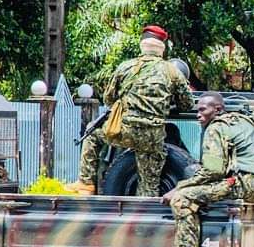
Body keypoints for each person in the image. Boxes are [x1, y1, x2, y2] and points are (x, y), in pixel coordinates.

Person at [157, 93, 254, 247]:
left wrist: (178, 188)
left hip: (243, 183)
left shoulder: (215, 127)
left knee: (182, 199)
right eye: (197, 110)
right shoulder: (242, 120)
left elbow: (213, 171)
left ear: (217, 110)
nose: (198, 115)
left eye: (203, 110)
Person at [69, 25, 192, 197]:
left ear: (142, 46)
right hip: (152, 136)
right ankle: (146, 205)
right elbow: (187, 104)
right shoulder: (172, 71)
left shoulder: (125, 67)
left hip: (125, 130)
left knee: (92, 134)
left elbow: (109, 99)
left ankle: (86, 184)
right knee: (149, 186)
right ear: (162, 49)